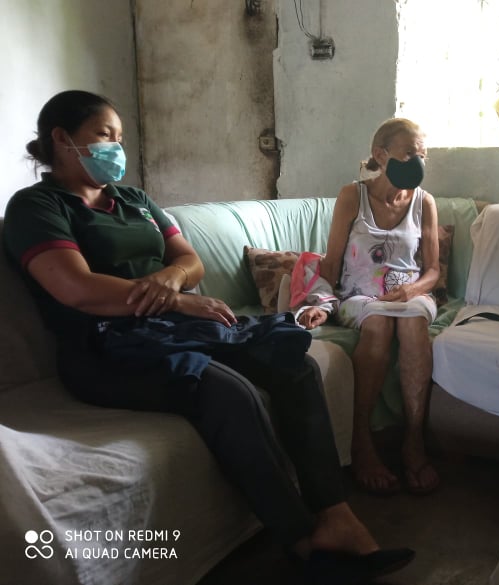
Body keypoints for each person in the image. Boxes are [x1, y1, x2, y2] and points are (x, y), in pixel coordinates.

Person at [3, 90, 414, 585]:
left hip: (171, 329)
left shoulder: (133, 200)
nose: (116, 147)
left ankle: (336, 516)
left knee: (294, 363)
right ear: (62, 139)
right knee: (228, 393)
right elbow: (77, 288)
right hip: (105, 348)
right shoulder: (37, 207)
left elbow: (190, 261)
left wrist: (172, 280)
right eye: (103, 135)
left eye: (120, 138)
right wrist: (176, 299)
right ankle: (302, 541)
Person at [296, 118, 441, 496]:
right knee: (377, 322)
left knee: (412, 324)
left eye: (422, 155)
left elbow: (433, 271)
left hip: (410, 295)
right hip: (360, 296)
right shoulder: (352, 196)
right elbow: (331, 263)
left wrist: (411, 291)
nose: (417, 162)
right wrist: (323, 305)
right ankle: (361, 440)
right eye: (409, 154)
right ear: (381, 154)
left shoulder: (424, 202)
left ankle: (413, 439)